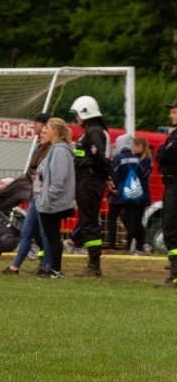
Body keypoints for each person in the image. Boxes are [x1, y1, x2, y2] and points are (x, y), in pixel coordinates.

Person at [70, 95, 115, 276]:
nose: (76, 119)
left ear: (85, 112)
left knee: (89, 222)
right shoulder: (91, 131)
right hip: (86, 181)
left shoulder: (94, 132)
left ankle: (94, 264)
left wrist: (106, 176)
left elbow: (98, 157)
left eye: (77, 114)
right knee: (87, 221)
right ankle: (93, 263)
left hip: (89, 182)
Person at [2, 113, 52, 276]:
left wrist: (39, 178)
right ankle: (15, 267)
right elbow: (32, 170)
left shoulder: (54, 151)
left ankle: (46, 266)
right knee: (27, 231)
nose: (36, 129)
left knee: (45, 233)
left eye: (38, 125)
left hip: (44, 197)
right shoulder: (39, 149)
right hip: (35, 196)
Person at [34, 117, 76, 279]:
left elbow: (59, 178)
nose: (46, 130)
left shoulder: (59, 150)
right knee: (49, 235)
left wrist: (49, 197)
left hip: (52, 203)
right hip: (49, 201)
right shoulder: (55, 149)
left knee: (52, 237)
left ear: (56, 131)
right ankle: (50, 267)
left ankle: (55, 269)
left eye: (49, 128)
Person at [107, 134, 152, 255]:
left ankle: (111, 246)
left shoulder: (118, 157)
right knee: (131, 220)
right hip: (133, 193)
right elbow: (141, 175)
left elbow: (112, 174)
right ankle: (128, 248)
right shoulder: (137, 159)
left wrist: (112, 187)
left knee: (112, 218)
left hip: (118, 194)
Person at [154, 101, 177, 288]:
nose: (171, 115)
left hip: (175, 186)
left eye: (174, 112)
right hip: (170, 185)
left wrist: (165, 154)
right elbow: (161, 155)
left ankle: (175, 275)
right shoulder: (173, 135)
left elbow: (166, 155)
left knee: (171, 229)